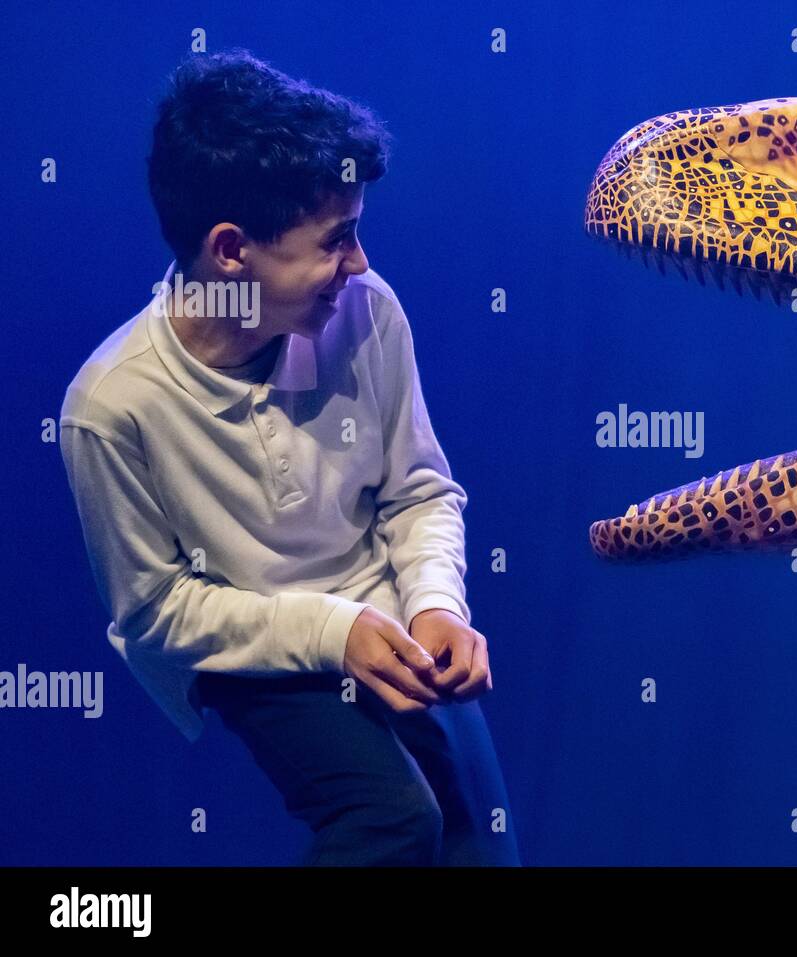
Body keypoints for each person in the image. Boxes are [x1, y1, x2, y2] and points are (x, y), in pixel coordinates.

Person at [58, 49, 519, 866]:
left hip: (387, 610)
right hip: (248, 640)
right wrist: (331, 631)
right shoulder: (111, 406)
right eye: (336, 240)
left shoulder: (368, 315)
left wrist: (437, 604)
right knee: (391, 818)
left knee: (480, 845)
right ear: (231, 251)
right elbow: (155, 610)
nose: (361, 264)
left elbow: (417, 491)